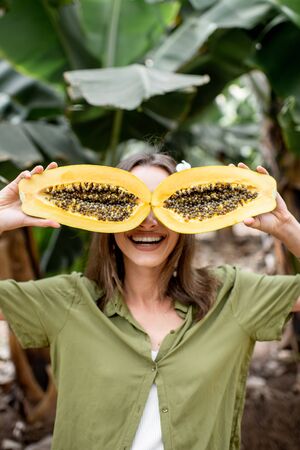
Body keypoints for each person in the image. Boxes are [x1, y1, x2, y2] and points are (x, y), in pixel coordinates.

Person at [0, 152, 300, 450]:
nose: (149, 221)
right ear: (105, 216)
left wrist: (286, 227)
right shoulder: (67, 301)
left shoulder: (231, 295)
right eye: (132, 205)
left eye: (164, 205)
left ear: (188, 218)